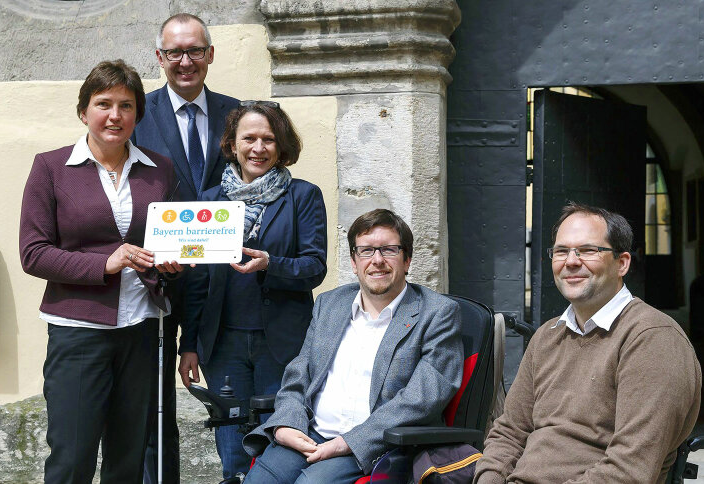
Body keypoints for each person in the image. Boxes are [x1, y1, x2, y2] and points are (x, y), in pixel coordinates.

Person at [19, 60, 178, 483]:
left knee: (128, 457)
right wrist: (104, 263)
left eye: (126, 105)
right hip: (77, 330)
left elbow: (168, 241)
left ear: (138, 114)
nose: (115, 115)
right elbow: (33, 253)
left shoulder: (160, 170)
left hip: (141, 328)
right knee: (73, 457)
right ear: (83, 111)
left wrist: (173, 263)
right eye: (103, 103)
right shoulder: (51, 168)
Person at [475, 203, 701, 484]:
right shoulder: (547, 336)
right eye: (561, 251)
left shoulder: (653, 338)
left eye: (588, 250)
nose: (570, 261)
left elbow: (629, 470)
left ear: (622, 263)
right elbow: (509, 433)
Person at [241, 209, 463, 484]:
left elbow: (422, 399)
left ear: (407, 260)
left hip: (376, 445)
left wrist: (348, 442)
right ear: (354, 261)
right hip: (310, 434)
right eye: (366, 251)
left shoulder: (438, 313)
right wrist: (286, 424)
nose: (377, 261)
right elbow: (299, 375)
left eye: (389, 250)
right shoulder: (330, 304)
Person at [176, 100, 327, 479]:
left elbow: (314, 266)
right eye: (249, 138)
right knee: (232, 452)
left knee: (281, 445)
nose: (258, 148)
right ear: (232, 143)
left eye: (269, 139)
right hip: (221, 345)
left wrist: (271, 263)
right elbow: (197, 281)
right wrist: (188, 343)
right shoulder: (210, 201)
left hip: (282, 345)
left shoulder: (302, 196)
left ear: (282, 147)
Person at [130, 13, 240, 483]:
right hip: (157, 280)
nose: (185, 61)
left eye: (195, 50)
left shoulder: (237, 113)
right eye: (174, 52)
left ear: (210, 55)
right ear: (159, 58)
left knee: (236, 402)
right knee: (154, 408)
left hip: (225, 284)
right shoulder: (136, 115)